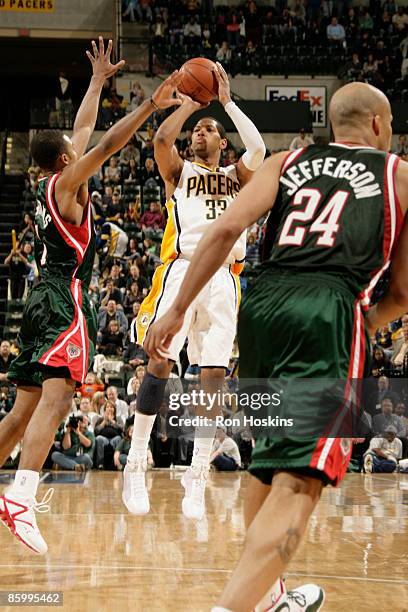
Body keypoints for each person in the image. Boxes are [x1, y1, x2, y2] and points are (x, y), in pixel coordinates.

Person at [144, 81, 408, 610]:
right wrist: (361, 321)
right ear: (380, 125)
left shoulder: (288, 161)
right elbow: (401, 292)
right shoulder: (398, 173)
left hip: (261, 308)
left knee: (266, 464)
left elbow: (225, 229)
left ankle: (268, 597)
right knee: (299, 483)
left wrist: (174, 311)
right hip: (328, 306)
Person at [0, 37, 181, 555]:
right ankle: (20, 498)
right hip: (63, 297)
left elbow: (83, 131)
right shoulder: (67, 183)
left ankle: (15, 489)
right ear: (63, 159)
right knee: (56, 400)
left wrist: (99, 82)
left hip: (40, 298)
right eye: (72, 150)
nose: (81, 149)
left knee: (21, 412)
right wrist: (149, 105)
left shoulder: (50, 183)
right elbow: (102, 146)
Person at [123, 62, 265, 519]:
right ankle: (134, 462)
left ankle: (197, 472)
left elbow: (259, 147)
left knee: (213, 379)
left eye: (209, 130)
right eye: (197, 131)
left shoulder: (236, 178)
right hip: (183, 270)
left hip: (225, 277)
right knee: (161, 359)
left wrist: (224, 102)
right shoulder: (180, 172)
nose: (199, 134)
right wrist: (187, 105)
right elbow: (162, 141)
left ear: (223, 143)